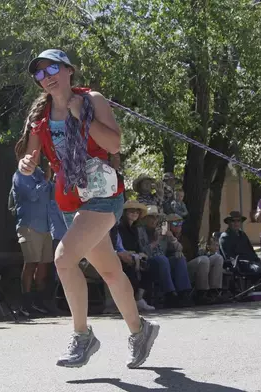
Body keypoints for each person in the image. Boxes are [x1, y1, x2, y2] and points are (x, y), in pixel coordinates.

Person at [15, 49, 159, 368]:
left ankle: (82, 336)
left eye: (52, 67)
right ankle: (140, 331)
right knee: (109, 270)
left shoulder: (92, 99)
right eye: (39, 73)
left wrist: (83, 115)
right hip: (70, 201)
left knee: (64, 259)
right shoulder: (40, 116)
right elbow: (31, 160)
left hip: (104, 195)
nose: (46, 76)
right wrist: (26, 165)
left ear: (69, 70)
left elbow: (114, 145)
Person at [12, 162, 53, 316]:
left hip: (46, 226)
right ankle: (25, 304)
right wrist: (46, 180)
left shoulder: (41, 173)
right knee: (31, 264)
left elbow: (51, 196)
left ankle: (39, 303)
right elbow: (31, 196)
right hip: (29, 225)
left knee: (44, 265)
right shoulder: (20, 174)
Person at [167, 213, 224, 304]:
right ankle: (201, 294)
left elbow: (194, 254)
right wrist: (171, 238)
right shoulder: (165, 238)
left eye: (180, 223)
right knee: (203, 260)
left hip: (191, 265)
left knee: (218, 258)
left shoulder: (185, 237)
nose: (178, 226)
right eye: (175, 224)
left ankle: (214, 293)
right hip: (179, 270)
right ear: (168, 225)